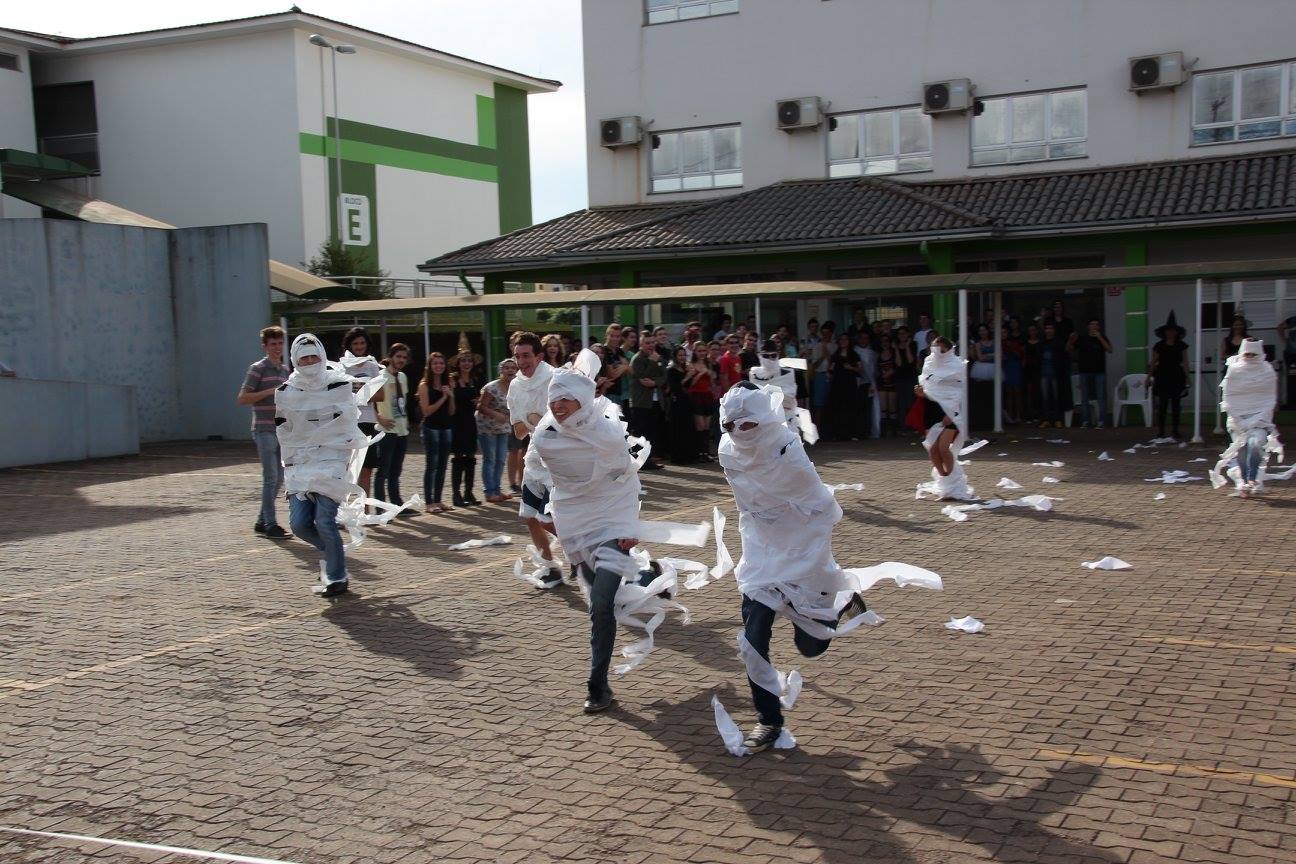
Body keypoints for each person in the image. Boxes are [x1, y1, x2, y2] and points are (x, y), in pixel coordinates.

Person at [715, 383, 938, 752]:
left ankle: (841, 599)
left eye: (747, 424)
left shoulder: (787, 450)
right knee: (752, 640)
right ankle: (769, 721)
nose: (737, 433)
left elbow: (825, 507)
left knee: (811, 646)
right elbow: (749, 501)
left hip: (804, 554)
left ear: (766, 421)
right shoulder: (728, 451)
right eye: (729, 426)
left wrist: (804, 536)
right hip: (759, 555)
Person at [527, 353, 691, 713]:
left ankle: (597, 685)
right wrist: (541, 510)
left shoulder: (607, 433)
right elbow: (537, 472)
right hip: (575, 521)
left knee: (601, 602)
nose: (557, 406)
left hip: (612, 518)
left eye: (565, 399)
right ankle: (650, 574)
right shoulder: (545, 434)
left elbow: (626, 479)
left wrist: (629, 527)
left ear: (582, 400)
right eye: (553, 400)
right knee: (598, 602)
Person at [275, 334, 375, 597]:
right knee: (299, 525)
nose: (309, 362)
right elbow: (284, 429)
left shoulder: (338, 385)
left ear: (321, 356)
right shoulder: (287, 391)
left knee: (324, 520)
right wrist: (293, 459)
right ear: (295, 360)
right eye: (303, 358)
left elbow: (347, 422)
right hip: (300, 464)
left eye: (313, 357)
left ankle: (336, 577)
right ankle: (333, 554)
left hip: (331, 460)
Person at [508, 331, 561, 588]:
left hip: (559, 460)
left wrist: (536, 421)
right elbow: (519, 431)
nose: (521, 361)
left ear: (539, 356)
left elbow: (564, 422)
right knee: (530, 517)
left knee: (547, 518)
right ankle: (551, 568)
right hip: (535, 459)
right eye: (517, 356)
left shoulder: (556, 380)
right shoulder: (515, 386)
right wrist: (533, 421)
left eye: (526, 355)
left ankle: (588, 556)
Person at [237, 325, 290, 539]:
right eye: (272, 344)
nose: (277, 347)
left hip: (281, 429)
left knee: (279, 478)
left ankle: (261, 521)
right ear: (265, 346)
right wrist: (270, 391)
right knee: (270, 477)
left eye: (279, 343)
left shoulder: (286, 371)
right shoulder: (258, 368)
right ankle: (270, 524)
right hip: (263, 428)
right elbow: (242, 398)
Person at [1211, 339, 1283, 498]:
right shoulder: (1234, 370)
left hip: (1260, 419)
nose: (1250, 356)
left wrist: (1257, 419)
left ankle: (1251, 478)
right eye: (1247, 353)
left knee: (1256, 442)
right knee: (1241, 451)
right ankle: (1244, 482)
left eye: (1253, 354)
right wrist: (1239, 420)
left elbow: (1270, 399)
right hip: (1237, 420)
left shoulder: (1267, 371)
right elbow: (1228, 398)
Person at [914, 337, 976, 501]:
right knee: (933, 449)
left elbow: (958, 391)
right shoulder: (928, 362)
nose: (937, 352)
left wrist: (951, 413)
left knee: (943, 448)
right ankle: (945, 482)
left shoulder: (957, 365)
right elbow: (927, 386)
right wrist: (921, 393)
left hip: (950, 410)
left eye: (941, 349)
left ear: (948, 349)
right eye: (935, 348)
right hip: (931, 408)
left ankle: (952, 480)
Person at [338, 327, 386, 498]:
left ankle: (363, 509)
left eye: (362, 343)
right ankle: (344, 508)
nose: (359, 346)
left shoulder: (373, 366)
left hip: (368, 420)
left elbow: (381, 394)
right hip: (349, 422)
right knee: (347, 467)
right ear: (350, 345)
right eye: (355, 343)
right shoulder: (342, 367)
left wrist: (360, 392)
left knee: (366, 469)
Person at [374, 343, 413, 515]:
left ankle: (396, 504)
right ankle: (381, 507)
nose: (401, 360)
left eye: (404, 357)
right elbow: (370, 400)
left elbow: (403, 400)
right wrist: (378, 417)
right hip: (386, 429)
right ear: (390, 357)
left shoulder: (403, 377)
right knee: (383, 471)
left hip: (401, 429)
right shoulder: (380, 376)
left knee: (396, 470)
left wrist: (406, 421)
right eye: (398, 357)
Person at [417, 352, 455, 513]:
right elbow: (426, 411)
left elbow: (452, 411)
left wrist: (451, 396)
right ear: (430, 366)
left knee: (443, 465)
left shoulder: (448, 383)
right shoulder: (424, 385)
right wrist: (443, 397)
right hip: (431, 428)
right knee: (431, 465)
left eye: (441, 363)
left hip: (446, 427)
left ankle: (438, 500)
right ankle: (429, 502)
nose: (438, 366)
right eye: (435, 363)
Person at [476, 358, 517, 503]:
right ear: (501, 371)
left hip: (503, 427)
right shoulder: (491, 387)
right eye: (507, 368)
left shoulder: (516, 387)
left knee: (500, 460)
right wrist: (496, 414)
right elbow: (480, 406)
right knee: (490, 459)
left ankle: (497, 490)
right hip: (487, 427)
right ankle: (489, 491)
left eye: (513, 368)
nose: (510, 370)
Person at [1149, 311, 1190, 440]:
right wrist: (1148, 377)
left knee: (1176, 405)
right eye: (1169, 331)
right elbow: (1153, 362)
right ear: (1165, 332)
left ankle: (1175, 430)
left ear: (1177, 332)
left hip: (1177, 376)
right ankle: (1161, 430)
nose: (1171, 333)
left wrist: (1188, 377)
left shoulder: (1181, 346)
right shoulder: (1159, 346)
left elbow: (1185, 362)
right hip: (1162, 376)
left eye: (1173, 331)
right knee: (1162, 404)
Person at [629, 330, 667, 469]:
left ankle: (648, 459)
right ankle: (637, 460)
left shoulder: (657, 357)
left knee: (651, 432)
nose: (650, 345)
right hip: (641, 402)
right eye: (647, 343)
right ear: (641, 344)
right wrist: (652, 363)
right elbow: (643, 376)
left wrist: (655, 382)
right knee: (640, 433)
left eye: (652, 343)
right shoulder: (638, 359)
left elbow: (664, 376)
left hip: (655, 401)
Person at [450, 351, 482, 507]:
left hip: (470, 421)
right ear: (458, 363)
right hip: (457, 421)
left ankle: (469, 491)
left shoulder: (475, 380)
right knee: (458, 458)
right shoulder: (453, 380)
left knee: (471, 457)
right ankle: (456, 494)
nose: (466, 363)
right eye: (463, 361)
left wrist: (477, 401)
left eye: (469, 360)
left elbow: (478, 399)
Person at [1074, 318, 1113, 428]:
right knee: (1084, 397)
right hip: (1084, 371)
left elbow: (1110, 350)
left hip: (1099, 371)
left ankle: (1101, 421)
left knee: (1101, 396)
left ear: (1099, 327)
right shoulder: (1082, 339)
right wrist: (1070, 340)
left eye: (1096, 324)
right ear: (1088, 327)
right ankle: (1085, 420)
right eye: (1092, 324)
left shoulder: (1102, 337)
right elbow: (1070, 349)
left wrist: (1100, 337)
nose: (1094, 326)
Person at [665, 347, 698, 465]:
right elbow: (675, 387)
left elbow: (689, 385)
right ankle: (678, 456)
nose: (683, 357)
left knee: (688, 428)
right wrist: (688, 376)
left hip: (686, 401)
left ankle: (689, 455)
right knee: (677, 429)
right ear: (675, 356)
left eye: (684, 355)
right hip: (676, 402)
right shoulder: (671, 370)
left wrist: (692, 375)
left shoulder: (685, 368)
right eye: (680, 355)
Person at [685, 342, 717, 461]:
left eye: (704, 351)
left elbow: (713, 382)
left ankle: (706, 452)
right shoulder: (690, 364)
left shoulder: (709, 364)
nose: (702, 353)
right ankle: (699, 452)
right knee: (700, 425)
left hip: (707, 395)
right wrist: (701, 374)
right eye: (699, 351)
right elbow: (690, 384)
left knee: (707, 426)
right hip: (696, 395)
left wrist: (710, 374)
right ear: (694, 352)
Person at [1038, 322, 1073, 428]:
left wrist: (1070, 341)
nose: (1048, 330)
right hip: (1044, 373)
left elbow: (1067, 352)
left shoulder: (1059, 342)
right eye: (1047, 328)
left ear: (1054, 330)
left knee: (1057, 397)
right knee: (1045, 398)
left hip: (1055, 374)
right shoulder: (1042, 343)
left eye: (1051, 328)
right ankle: (1045, 419)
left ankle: (1058, 419)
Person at [827, 333, 862, 440]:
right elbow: (830, 369)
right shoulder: (835, 355)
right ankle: (838, 434)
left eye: (845, 339)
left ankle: (852, 434)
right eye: (841, 339)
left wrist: (851, 367)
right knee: (837, 408)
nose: (843, 341)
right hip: (837, 385)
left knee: (850, 408)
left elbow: (860, 369)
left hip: (850, 384)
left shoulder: (854, 354)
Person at [808, 321, 835, 427]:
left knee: (830, 402)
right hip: (820, 375)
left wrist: (827, 353)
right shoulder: (816, 346)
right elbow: (814, 366)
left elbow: (834, 362)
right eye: (823, 333)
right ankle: (818, 429)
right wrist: (822, 356)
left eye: (828, 333)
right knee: (818, 404)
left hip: (831, 375)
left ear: (831, 333)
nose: (825, 335)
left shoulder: (835, 346)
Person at [854, 330, 880, 440]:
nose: (863, 340)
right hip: (858, 383)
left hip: (870, 384)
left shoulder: (872, 353)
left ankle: (870, 431)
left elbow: (874, 370)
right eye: (861, 338)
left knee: (870, 409)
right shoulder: (854, 351)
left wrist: (872, 383)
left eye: (866, 338)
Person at [876, 333, 898, 435]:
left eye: (887, 341)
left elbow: (898, 365)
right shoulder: (878, 354)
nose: (885, 343)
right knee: (883, 407)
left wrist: (891, 372)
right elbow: (875, 369)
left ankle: (893, 430)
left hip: (893, 381)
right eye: (883, 341)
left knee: (892, 406)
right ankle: (884, 431)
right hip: (882, 382)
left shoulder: (894, 353)